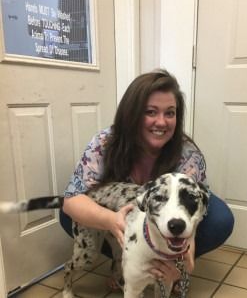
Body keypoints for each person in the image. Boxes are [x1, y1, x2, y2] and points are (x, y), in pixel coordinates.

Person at [60, 69, 234, 290]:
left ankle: (169, 262)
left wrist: (185, 259)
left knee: (219, 218)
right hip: (122, 217)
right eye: (151, 112)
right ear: (132, 114)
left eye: (170, 113)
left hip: (162, 225)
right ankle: (127, 263)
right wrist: (110, 220)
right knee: (72, 213)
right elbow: (71, 200)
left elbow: (195, 210)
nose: (161, 122)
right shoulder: (105, 142)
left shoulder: (188, 153)